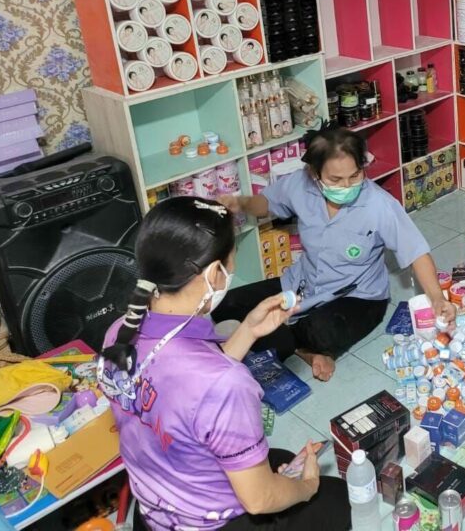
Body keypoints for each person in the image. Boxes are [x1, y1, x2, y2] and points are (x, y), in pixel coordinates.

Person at [98, 197, 349, 531]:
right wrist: (307, 489)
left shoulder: (119, 332)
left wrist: (248, 331)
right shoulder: (226, 383)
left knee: (281, 459)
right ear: (215, 273)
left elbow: (187, 391)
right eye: (231, 262)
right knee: (337, 498)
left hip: (153, 512)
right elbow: (259, 500)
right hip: (209, 525)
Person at [216, 128, 454, 381]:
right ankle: (296, 345)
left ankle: (296, 344)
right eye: (335, 179)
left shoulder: (379, 205)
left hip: (357, 297)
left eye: (355, 175)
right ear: (314, 173)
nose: (347, 186)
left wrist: (437, 298)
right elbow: (267, 203)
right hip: (302, 284)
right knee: (226, 305)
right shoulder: (300, 184)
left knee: (319, 331)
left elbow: (416, 252)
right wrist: (241, 203)